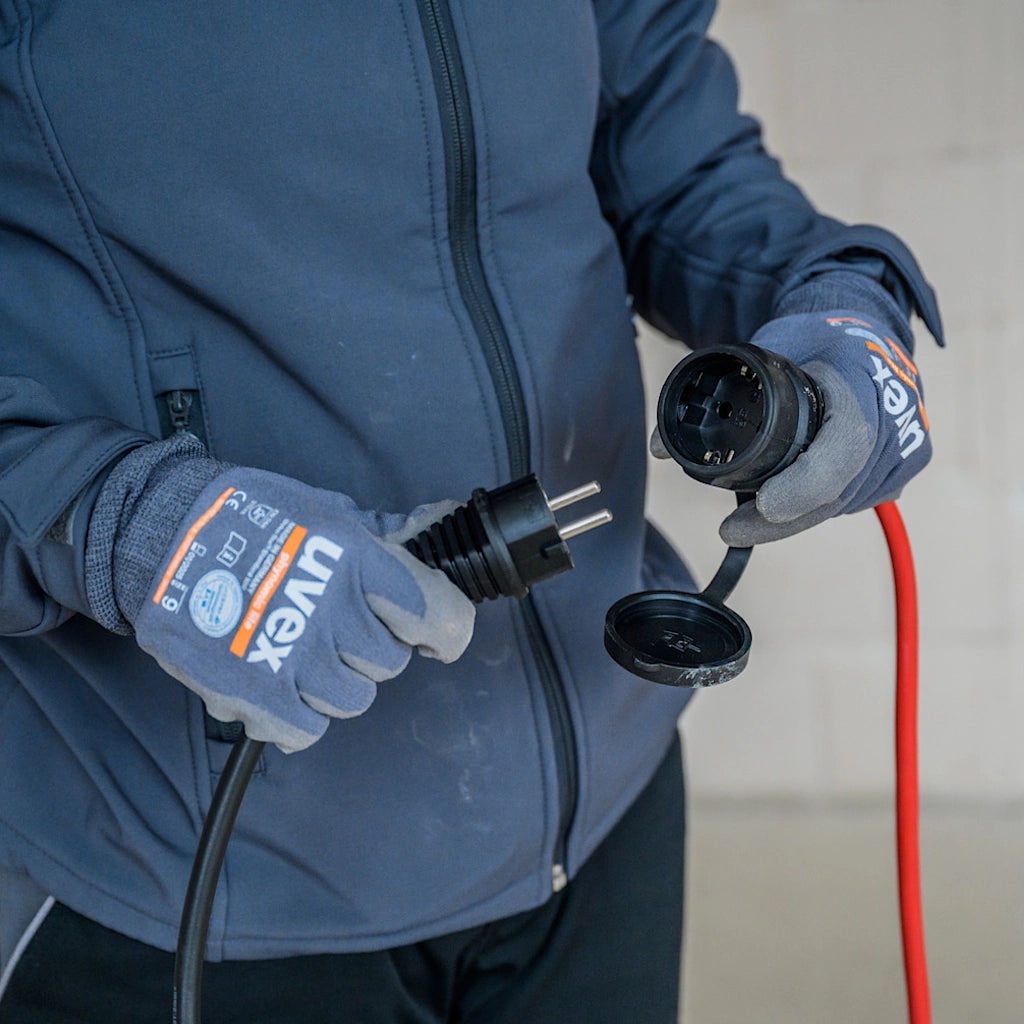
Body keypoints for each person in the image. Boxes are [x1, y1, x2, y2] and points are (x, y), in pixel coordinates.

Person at [0, 1, 942, 1021]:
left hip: (597, 803)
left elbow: (669, 158)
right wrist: (122, 524)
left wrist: (836, 298)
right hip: (185, 870)